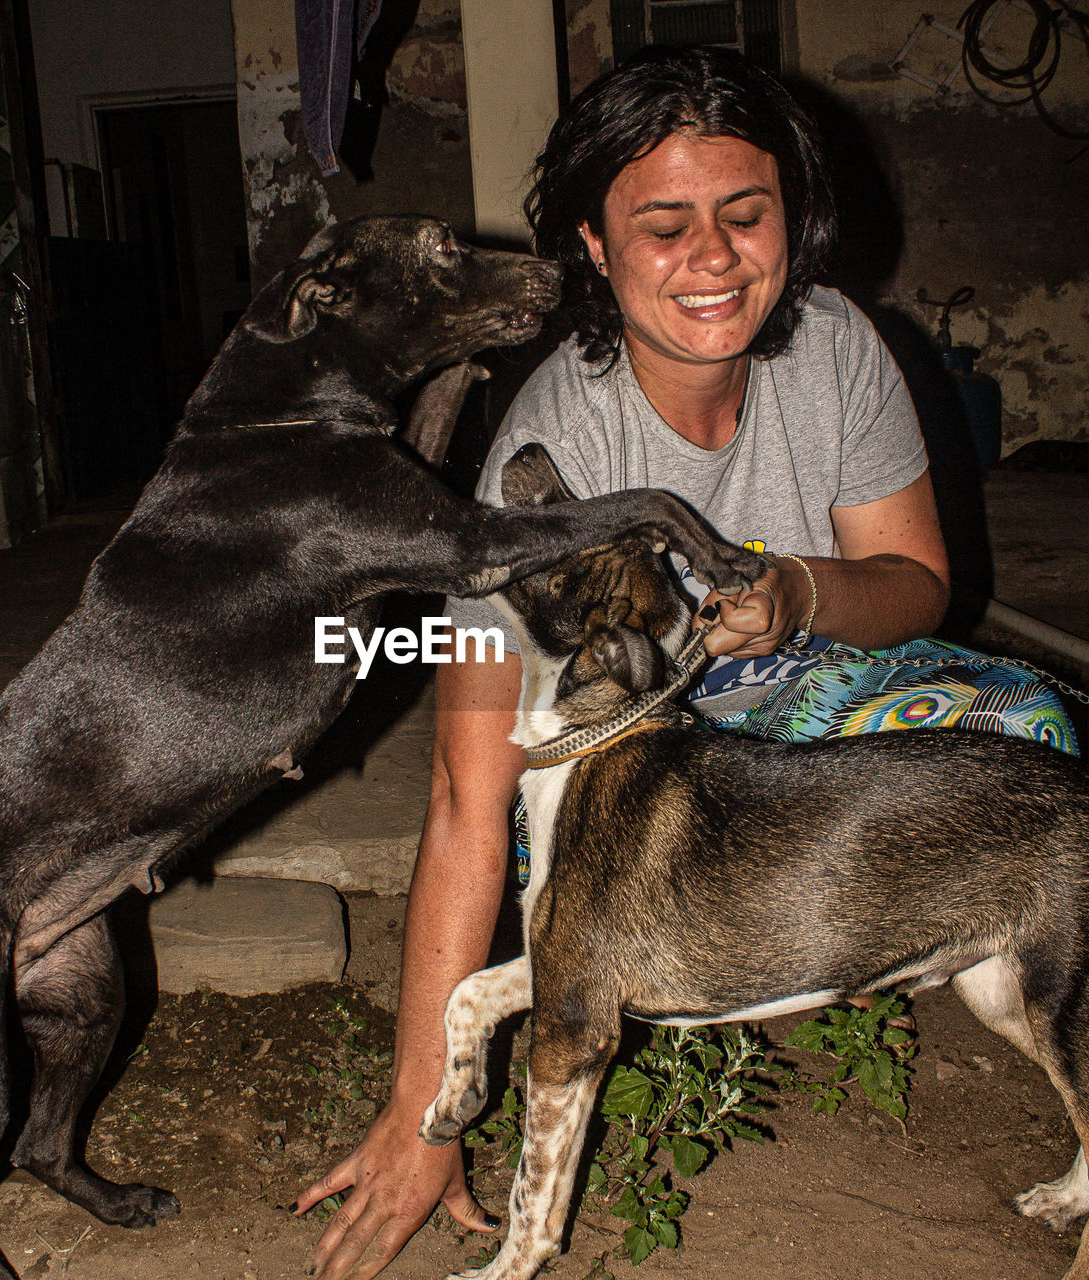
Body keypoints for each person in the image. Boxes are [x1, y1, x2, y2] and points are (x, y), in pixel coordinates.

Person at [292, 44, 1079, 1280]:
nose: (713, 259)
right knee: (560, 865)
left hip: (797, 686)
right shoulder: (556, 444)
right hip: (623, 752)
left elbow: (921, 586)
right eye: (663, 226)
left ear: (790, 219)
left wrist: (801, 591)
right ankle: (711, 966)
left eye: (743, 213)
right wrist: (419, 1112)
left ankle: (904, 957)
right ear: (598, 250)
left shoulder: (836, 349)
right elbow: (466, 786)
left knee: (1034, 741)